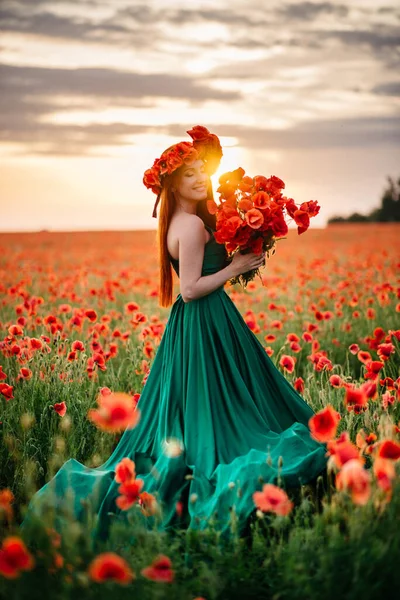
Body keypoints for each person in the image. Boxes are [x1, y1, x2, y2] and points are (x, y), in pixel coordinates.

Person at [20, 126, 328, 546]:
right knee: (220, 409)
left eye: (202, 170)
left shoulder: (189, 221)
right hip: (204, 317)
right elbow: (189, 288)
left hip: (198, 322)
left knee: (202, 405)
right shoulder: (188, 226)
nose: (201, 178)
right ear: (172, 184)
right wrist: (236, 268)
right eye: (190, 175)